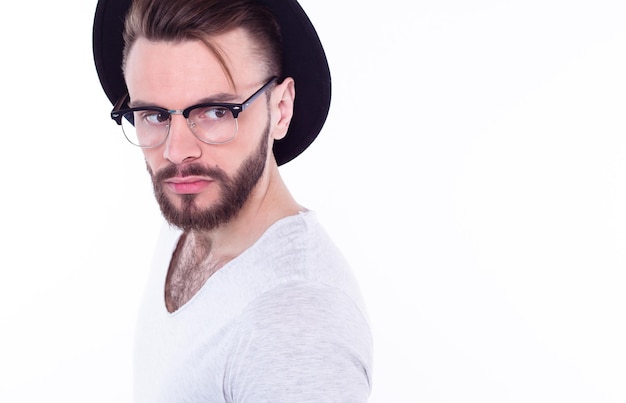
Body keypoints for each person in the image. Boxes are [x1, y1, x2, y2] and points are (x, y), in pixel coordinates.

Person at [93, 0, 372, 401]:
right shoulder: (193, 212)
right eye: (154, 115)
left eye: (215, 111)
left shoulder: (297, 325)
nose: (177, 151)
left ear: (280, 109)